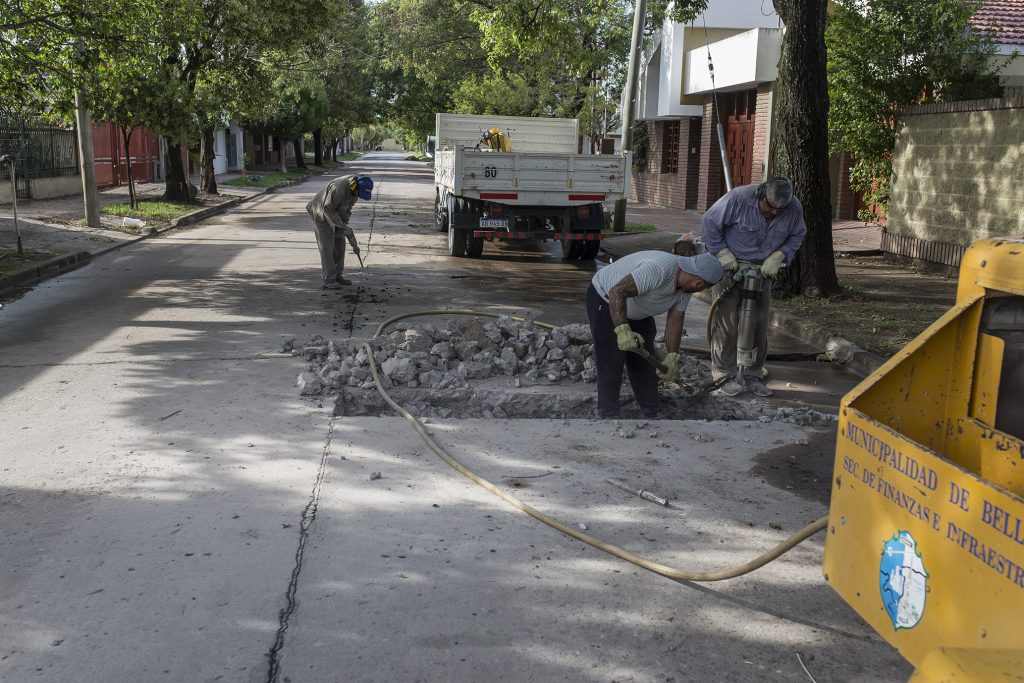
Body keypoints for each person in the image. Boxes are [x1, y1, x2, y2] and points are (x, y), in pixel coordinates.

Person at [701, 177, 807, 397]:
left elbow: (798, 234)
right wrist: (722, 253)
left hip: (762, 272)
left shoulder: (793, 207)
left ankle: (752, 375)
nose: (775, 213)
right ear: (761, 194)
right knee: (727, 325)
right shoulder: (738, 199)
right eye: (770, 208)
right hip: (730, 268)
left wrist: (781, 254)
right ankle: (724, 374)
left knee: (758, 325)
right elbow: (709, 222)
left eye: (781, 210)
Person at [587, 251, 724, 419]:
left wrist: (672, 356)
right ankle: (608, 415)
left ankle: (652, 413)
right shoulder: (658, 269)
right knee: (612, 359)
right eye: (705, 287)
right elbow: (617, 292)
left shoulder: (684, 290)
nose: (703, 289)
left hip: (638, 311)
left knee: (644, 362)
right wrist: (623, 330)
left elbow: (675, 319)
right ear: (698, 283)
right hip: (607, 300)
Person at [306, 174, 373, 289]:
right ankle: (329, 280)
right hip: (321, 213)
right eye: (360, 193)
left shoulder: (355, 193)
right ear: (354, 187)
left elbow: (348, 209)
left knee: (340, 245)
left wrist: (344, 225)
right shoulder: (339, 188)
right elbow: (328, 209)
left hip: (334, 214)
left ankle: (338, 276)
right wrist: (341, 225)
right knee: (327, 247)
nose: (359, 197)